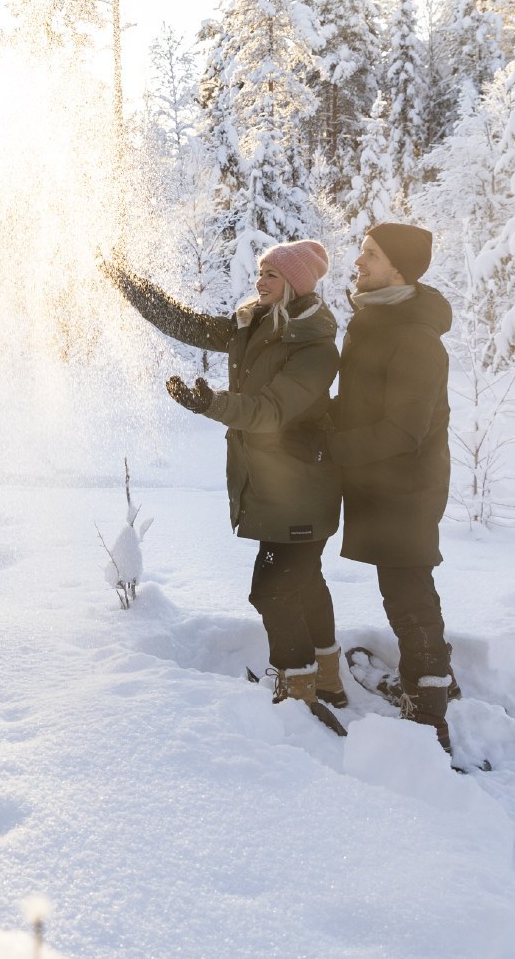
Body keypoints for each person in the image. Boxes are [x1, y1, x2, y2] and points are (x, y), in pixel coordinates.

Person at [104, 240, 347, 734]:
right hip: (278, 486)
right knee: (304, 582)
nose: (260, 280)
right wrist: (129, 284)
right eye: (260, 271)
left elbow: (272, 412)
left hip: (301, 489)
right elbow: (187, 324)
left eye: (272, 275)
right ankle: (327, 679)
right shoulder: (253, 323)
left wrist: (211, 404)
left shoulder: (314, 346)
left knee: (273, 592)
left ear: (296, 285)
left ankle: (297, 693)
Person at [331, 222, 457, 753]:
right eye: (362, 251)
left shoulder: (414, 338)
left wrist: (328, 448)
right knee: (404, 587)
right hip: (384, 481)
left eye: (371, 254)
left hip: (406, 485)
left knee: (408, 592)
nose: (358, 262)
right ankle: (432, 682)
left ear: (399, 269)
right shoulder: (378, 321)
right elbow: (365, 405)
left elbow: (401, 431)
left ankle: (430, 714)